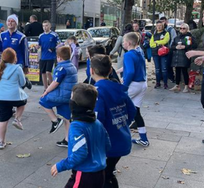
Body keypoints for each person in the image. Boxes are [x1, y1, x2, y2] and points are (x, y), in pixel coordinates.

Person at [51, 83, 110, 188]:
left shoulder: (76, 126)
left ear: (73, 104)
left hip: (85, 174)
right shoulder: (97, 123)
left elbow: (80, 153)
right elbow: (107, 145)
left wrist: (61, 165)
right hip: (100, 172)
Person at [91, 54, 136, 187]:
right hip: (121, 139)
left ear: (91, 70)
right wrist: (121, 124)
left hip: (106, 145)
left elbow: (97, 120)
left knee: (102, 177)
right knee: (108, 172)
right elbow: (132, 111)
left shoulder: (97, 92)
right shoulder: (119, 89)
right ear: (111, 70)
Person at [40, 46, 78, 147]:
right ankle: (67, 140)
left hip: (61, 94)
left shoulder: (61, 67)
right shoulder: (72, 66)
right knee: (67, 117)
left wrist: (46, 91)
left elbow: (56, 82)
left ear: (59, 57)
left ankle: (55, 120)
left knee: (43, 101)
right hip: (69, 96)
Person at [0, 48, 28, 149]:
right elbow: (23, 83)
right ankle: (17, 119)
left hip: (1, 97)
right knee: (23, 102)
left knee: (3, 120)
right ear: (14, 58)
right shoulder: (17, 68)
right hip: (15, 96)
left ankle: (1, 142)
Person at [123, 32, 150, 147]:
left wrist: (124, 86)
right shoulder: (139, 51)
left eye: (124, 41)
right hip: (142, 84)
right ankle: (144, 138)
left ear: (128, 43)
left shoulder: (128, 55)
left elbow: (130, 72)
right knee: (136, 112)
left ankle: (119, 137)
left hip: (133, 85)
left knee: (117, 109)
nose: (122, 43)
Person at [169, 23, 197, 93]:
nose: (181, 30)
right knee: (177, 70)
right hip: (177, 56)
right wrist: (176, 47)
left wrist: (185, 47)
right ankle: (177, 85)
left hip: (185, 56)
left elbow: (194, 45)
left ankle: (186, 86)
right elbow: (171, 46)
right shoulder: (177, 37)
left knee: (184, 71)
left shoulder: (190, 37)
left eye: (183, 28)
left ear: (187, 29)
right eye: (180, 28)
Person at [38, 20, 61, 90]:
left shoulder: (54, 35)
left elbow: (59, 44)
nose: (45, 27)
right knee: (43, 73)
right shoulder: (41, 36)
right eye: (43, 26)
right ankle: (45, 88)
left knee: (48, 72)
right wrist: (38, 55)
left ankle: (52, 87)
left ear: (50, 26)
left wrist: (53, 48)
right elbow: (39, 46)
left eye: (46, 25)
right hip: (43, 56)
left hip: (51, 56)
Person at [150, 21, 170, 89]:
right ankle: (158, 82)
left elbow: (165, 41)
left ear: (163, 26)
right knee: (157, 69)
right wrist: (159, 43)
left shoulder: (166, 33)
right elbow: (151, 44)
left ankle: (165, 83)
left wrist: (156, 42)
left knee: (164, 69)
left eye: (160, 25)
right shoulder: (154, 34)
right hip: (155, 53)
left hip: (163, 53)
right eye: (157, 25)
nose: (159, 27)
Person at [160, 17, 177, 83]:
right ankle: (162, 77)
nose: (162, 23)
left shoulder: (170, 29)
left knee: (168, 63)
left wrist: (170, 47)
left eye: (163, 21)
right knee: (161, 64)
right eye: (161, 21)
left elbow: (174, 38)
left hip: (168, 49)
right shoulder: (158, 29)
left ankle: (171, 77)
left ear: (166, 21)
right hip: (160, 49)